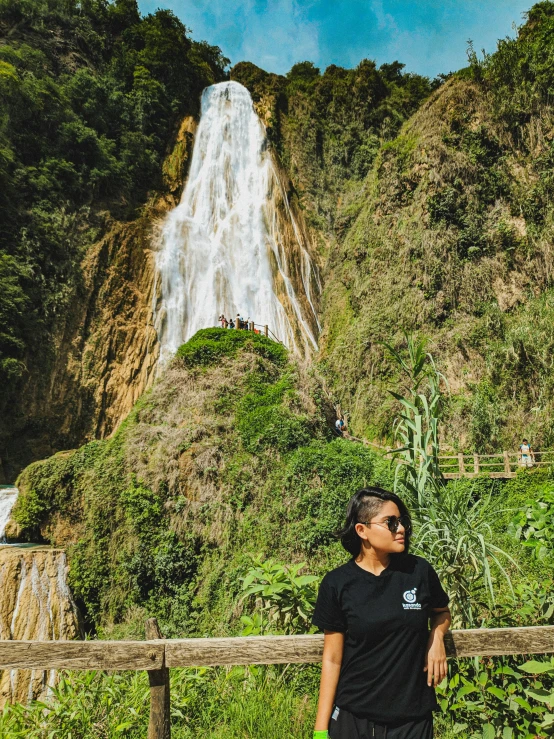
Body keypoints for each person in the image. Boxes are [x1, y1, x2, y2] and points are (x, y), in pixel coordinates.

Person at [312, 487, 451, 739]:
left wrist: (437, 637)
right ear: (362, 530)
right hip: (354, 719)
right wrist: (320, 730)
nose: (401, 529)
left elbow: (441, 612)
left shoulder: (418, 571)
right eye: (391, 522)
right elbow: (332, 659)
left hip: (413, 720)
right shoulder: (337, 583)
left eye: (402, 522)